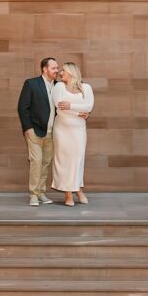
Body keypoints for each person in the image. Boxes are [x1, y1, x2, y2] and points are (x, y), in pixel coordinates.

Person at [51, 62, 94, 207]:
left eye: (63, 70)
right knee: (63, 161)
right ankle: (68, 193)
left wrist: (72, 106)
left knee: (77, 160)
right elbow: (60, 106)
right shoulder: (59, 87)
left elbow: (89, 106)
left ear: (71, 72)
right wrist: (79, 111)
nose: (60, 72)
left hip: (78, 130)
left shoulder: (86, 88)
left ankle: (78, 189)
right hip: (62, 129)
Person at [17, 57, 59, 206]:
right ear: (45, 69)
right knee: (37, 162)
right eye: (54, 68)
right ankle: (33, 195)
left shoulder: (59, 86)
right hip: (34, 131)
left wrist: (83, 112)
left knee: (46, 162)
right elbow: (23, 108)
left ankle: (41, 192)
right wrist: (28, 129)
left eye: (57, 68)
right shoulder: (31, 84)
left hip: (52, 133)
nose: (57, 71)